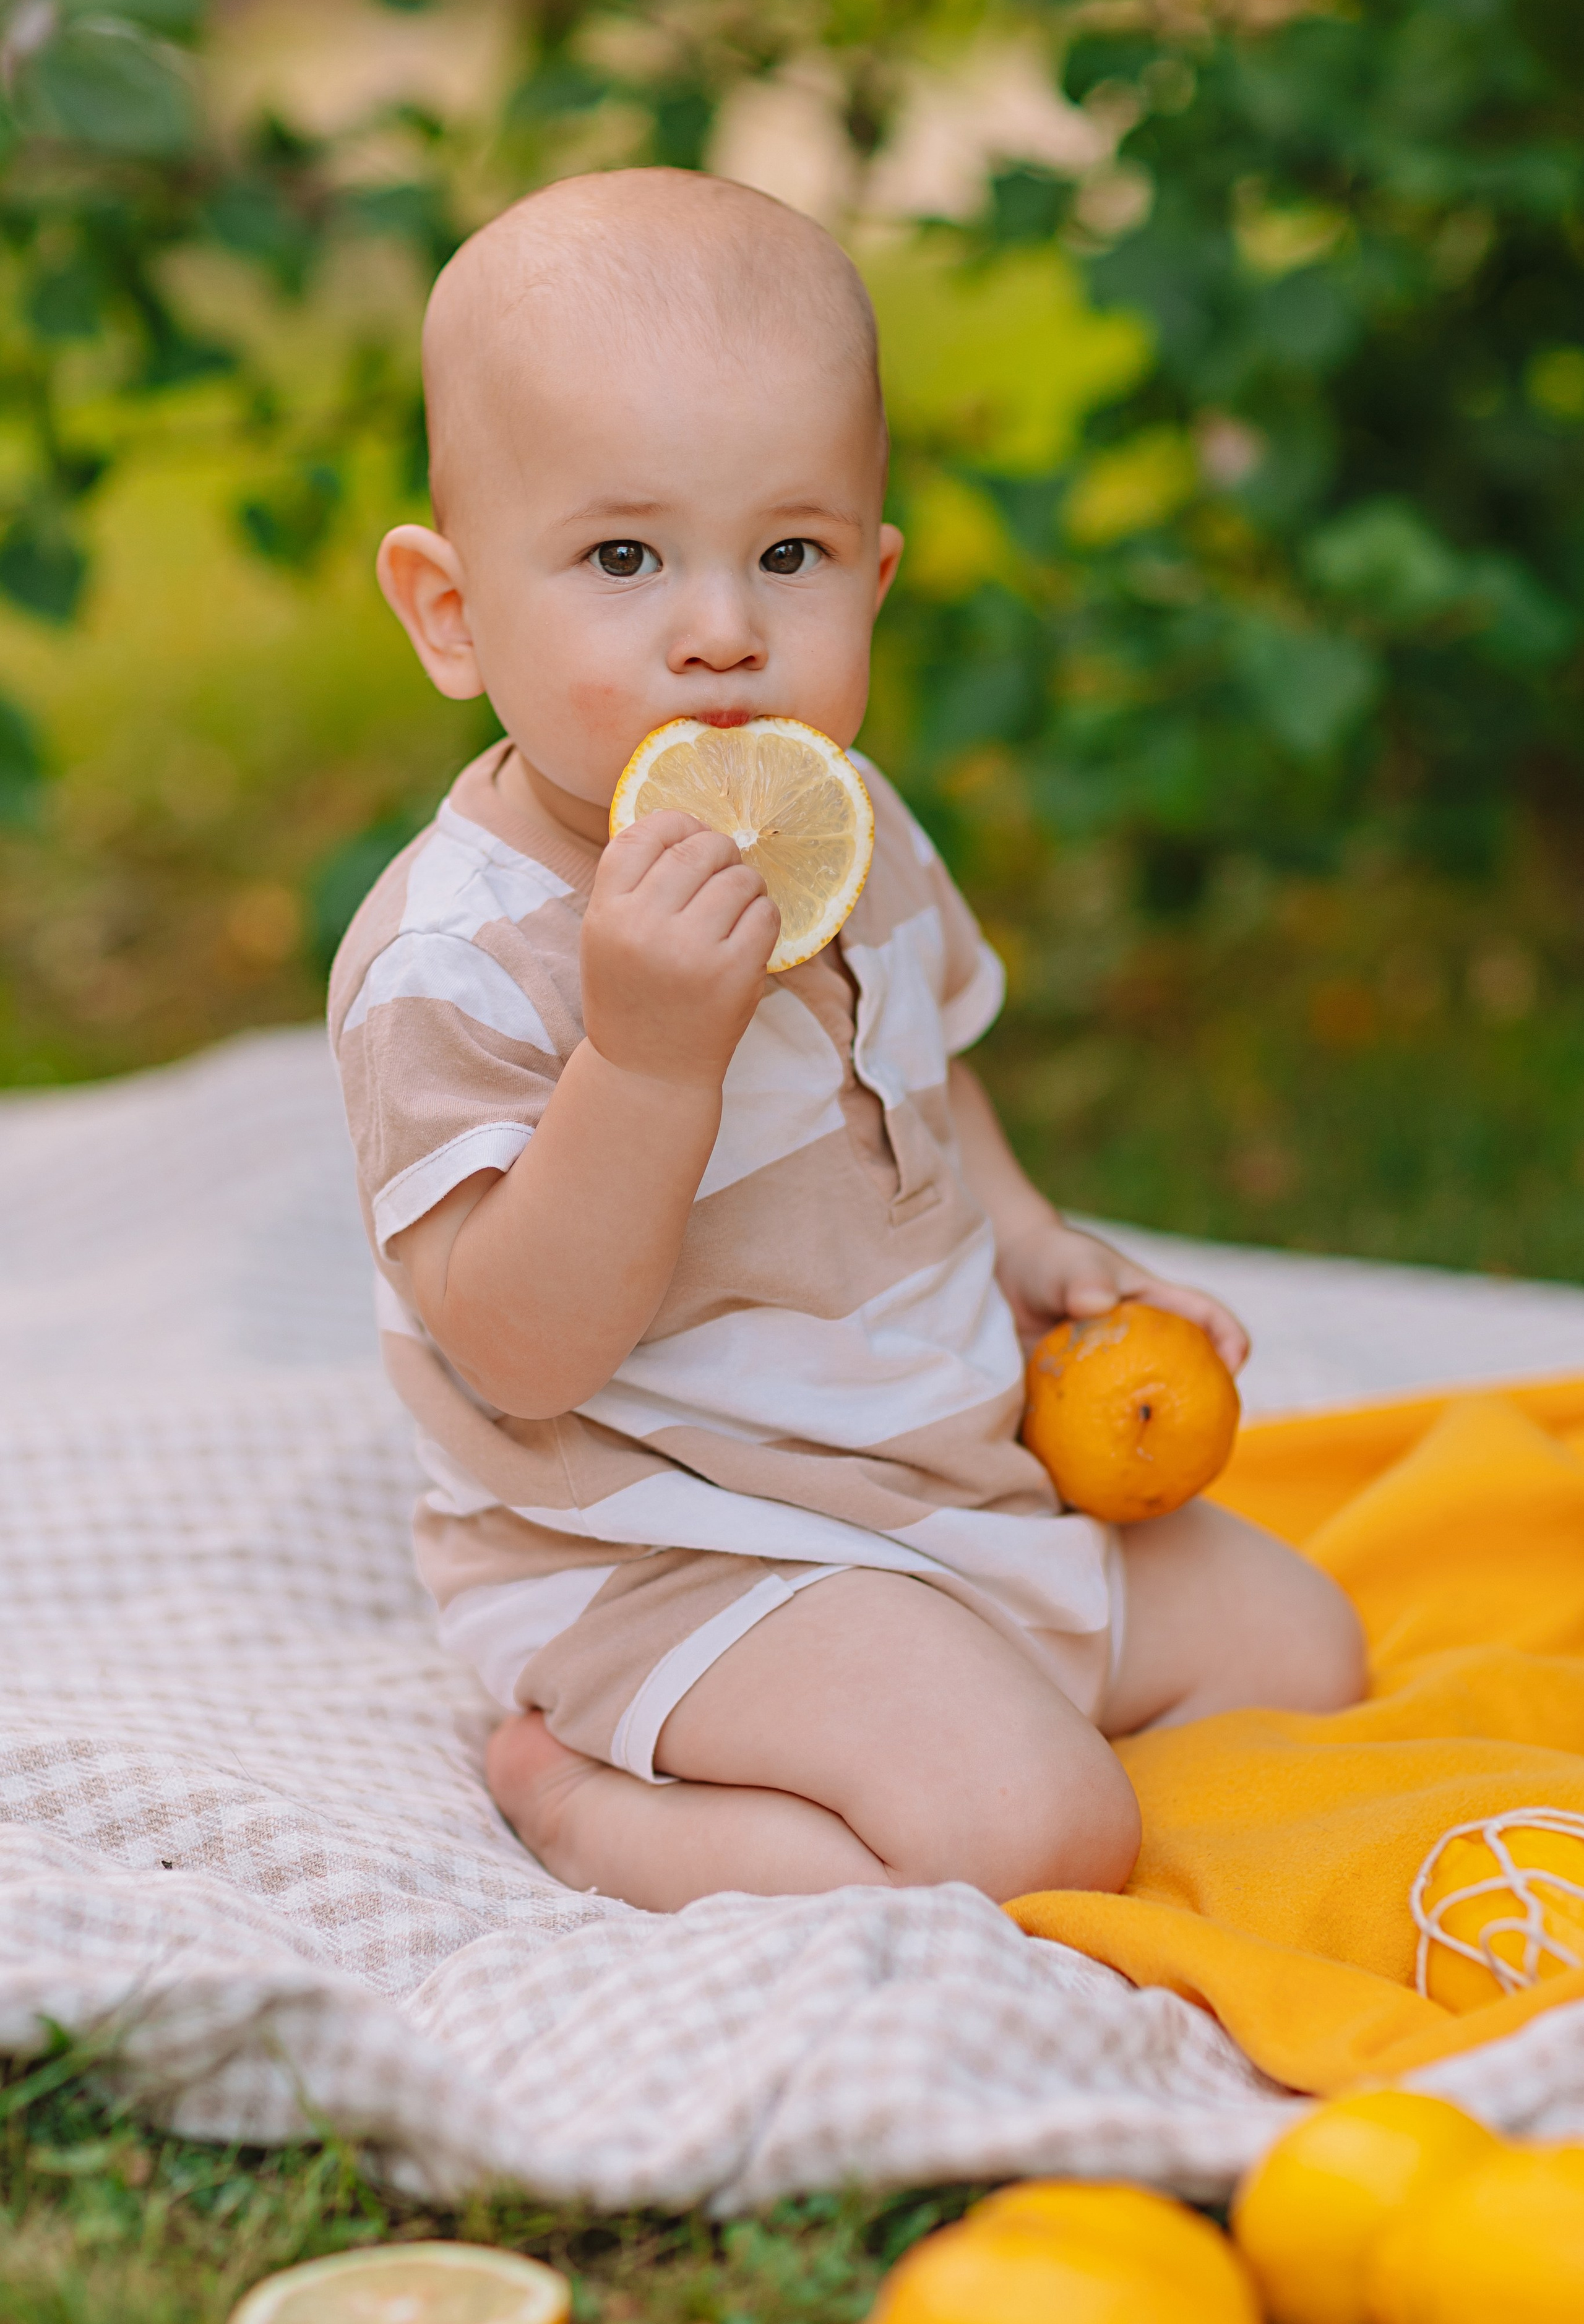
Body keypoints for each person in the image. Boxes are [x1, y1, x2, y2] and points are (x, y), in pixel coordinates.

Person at [329, 166, 1364, 1916]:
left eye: (789, 554)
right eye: (623, 556)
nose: (725, 626)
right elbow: (518, 1348)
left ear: (873, 575)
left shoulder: (847, 820)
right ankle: (586, 1802)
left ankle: (942, 1694)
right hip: (674, 1540)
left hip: (939, 1481)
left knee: (1304, 1646)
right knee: (1038, 1835)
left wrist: (1031, 1244)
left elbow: (927, 1067)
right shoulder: (461, 961)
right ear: (451, 610)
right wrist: (648, 1060)